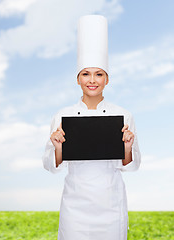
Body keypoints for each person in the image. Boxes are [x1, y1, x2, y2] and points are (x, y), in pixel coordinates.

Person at [42, 15, 141, 240]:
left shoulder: (124, 115)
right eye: (86, 74)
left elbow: (131, 166)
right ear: (77, 79)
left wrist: (127, 146)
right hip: (75, 207)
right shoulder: (62, 115)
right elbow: (52, 167)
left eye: (99, 74)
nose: (92, 80)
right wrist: (57, 146)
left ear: (107, 79)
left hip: (111, 205)